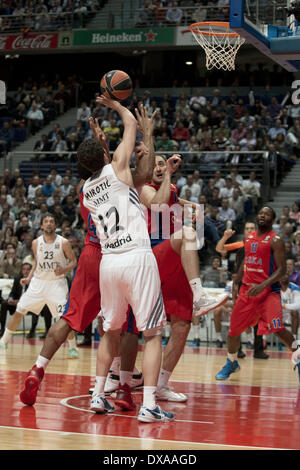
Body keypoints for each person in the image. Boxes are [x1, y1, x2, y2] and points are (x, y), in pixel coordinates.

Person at [19, 112, 153, 407]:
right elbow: (127, 171)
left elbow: (103, 166)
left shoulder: (86, 192)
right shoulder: (117, 176)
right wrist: (142, 134)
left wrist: (99, 141)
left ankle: (38, 367)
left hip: (90, 255)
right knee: (123, 326)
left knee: (69, 318)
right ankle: (121, 386)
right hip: (118, 253)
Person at [79, 96, 175, 423]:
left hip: (109, 262)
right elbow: (131, 126)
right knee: (152, 333)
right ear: (107, 155)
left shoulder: (86, 189)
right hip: (135, 255)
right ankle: (148, 404)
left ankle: (97, 395)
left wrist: (106, 147)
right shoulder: (118, 166)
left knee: (110, 331)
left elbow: (134, 176)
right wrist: (116, 106)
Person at [215, 207, 300, 381]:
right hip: (248, 291)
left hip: (268, 292)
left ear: (273, 219)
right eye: (260, 213)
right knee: (233, 330)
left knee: (278, 329)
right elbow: (242, 258)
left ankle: (298, 353)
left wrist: (263, 285)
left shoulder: (275, 240)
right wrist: (237, 281)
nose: (262, 215)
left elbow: (282, 270)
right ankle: (231, 362)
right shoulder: (249, 238)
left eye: (267, 214)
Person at [0, 213, 77, 358]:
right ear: (41, 225)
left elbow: (73, 262)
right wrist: (28, 278)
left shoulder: (63, 242)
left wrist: (64, 269)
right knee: (19, 310)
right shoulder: (36, 243)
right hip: (38, 283)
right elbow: (37, 262)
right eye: (46, 221)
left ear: (55, 225)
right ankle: (4, 341)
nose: (49, 223)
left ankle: (73, 348)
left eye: (51, 221)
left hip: (57, 284)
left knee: (65, 318)